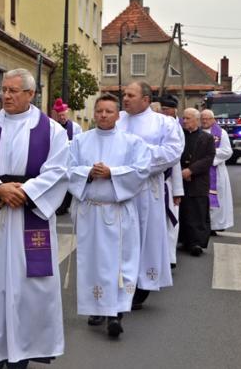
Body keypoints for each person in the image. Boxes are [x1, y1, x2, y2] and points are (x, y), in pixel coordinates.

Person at [0, 68, 68, 369]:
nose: (5, 95)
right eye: (4, 89)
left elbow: (59, 171)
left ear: (30, 94)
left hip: (29, 217)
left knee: (29, 287)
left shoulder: (52, 131)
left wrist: (26, 192)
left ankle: (22, 352)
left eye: (13, 90)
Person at [68, 93, 150, 338]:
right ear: (94, 113)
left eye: (109, 111)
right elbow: (66, 169)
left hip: (118, 211)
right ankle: (97, 308)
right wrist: (88, 173)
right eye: (99, 111)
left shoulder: (132, 142)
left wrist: (112, 172)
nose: (103, 115)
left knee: (120, 262)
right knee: (92, 262)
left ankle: (117, 312)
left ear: (117, 115)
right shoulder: (80, 141)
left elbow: (141, 170)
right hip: (90, 211)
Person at [116, 82, 183, 310]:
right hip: (117, 188)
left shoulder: (164, 123)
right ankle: (115, 283)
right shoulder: (116, 119)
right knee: (118, 237)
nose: (125, 98)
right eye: (124, 94)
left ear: (145, 99)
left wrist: (138, 159)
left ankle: (140, 284)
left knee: (145, 236)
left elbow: (173, 152)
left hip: (146, 189)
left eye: (130, 95)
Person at [179, 108, 216, 256]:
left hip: (198, 180)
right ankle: (184, 240)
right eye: (183, 118)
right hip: (180, 178)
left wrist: (191, 170)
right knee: (184, 210)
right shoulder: (179, 136)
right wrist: (182, 170)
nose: (184, 121)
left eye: (188, 118)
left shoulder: (206, 138)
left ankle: (197, 243)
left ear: (196, 120)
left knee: (198, 211)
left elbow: (209, 158)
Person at [159, 94, 184, 269]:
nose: (163, 112)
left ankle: (169, 257)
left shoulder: (176, 128)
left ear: (174, 110)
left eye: (166, 109)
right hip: (151, 182)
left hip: (168, 181)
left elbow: (176, 161)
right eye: (161, 109)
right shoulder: (157, 125)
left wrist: (177, 191)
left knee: (170, 221)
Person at [200, 109, 234, 234]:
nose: (205, 121)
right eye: (202, 119)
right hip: (200, 171)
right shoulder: (197, 132)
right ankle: (204, 225)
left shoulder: (221, 133)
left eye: (207, 119)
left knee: (217, 198)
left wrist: (209, 155)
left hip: (217, 170)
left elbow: (227, 151)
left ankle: (216, 225)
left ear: (213, 120)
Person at [52, 97, 82, 215]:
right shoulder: (53, 127)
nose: (62, 117)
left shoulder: (75, 127)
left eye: (64, 115)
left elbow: (79, 142)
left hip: (70, 158)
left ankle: (66, 205)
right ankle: (59, 205)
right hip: (58, 159)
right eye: (60, 115)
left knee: (69, 181)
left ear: (67, 114)